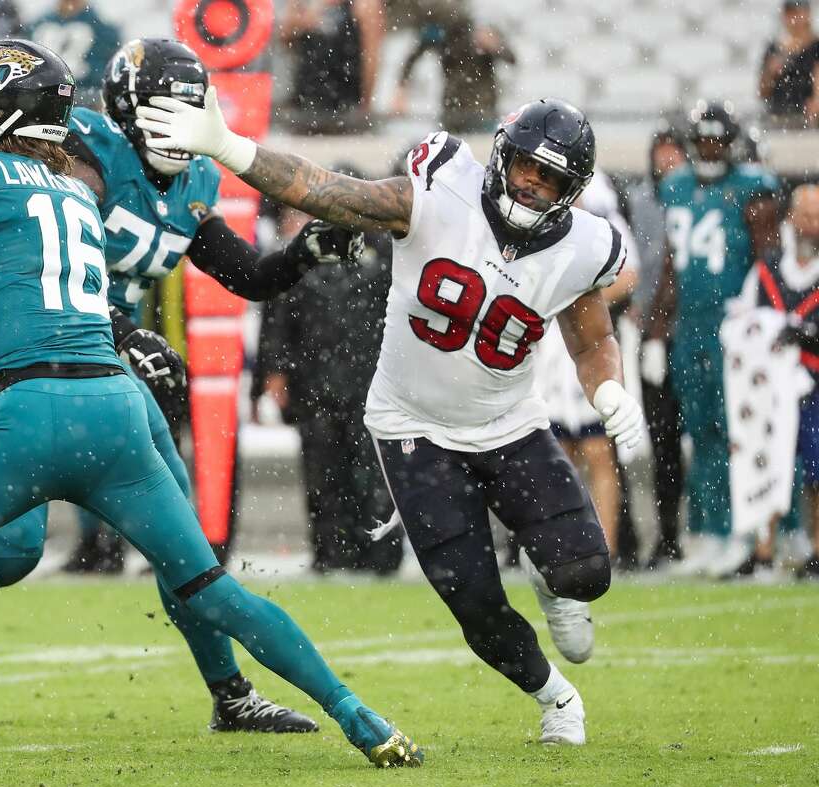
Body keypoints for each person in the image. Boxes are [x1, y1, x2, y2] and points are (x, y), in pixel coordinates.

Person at [0, 38, 421, 771]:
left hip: (33, 398)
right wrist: (127, 335)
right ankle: (361, 718)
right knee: (211, 585)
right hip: (111, 400)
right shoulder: (76, 182)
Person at [137, 93, 646, 746]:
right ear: (500, 153)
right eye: (525, 165)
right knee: (474, 603)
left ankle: (555, 583)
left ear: (572, 192)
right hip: (414, 430)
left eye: (550, 178)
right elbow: (324, 190)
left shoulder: (583, 246)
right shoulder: (439, 190)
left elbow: (591, 335)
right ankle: (555, 695)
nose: (530, 183)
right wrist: (231, 146)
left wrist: (608, 391)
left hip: (511, 423)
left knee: (586, 573)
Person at [646, 101, 781, 576]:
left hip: (735, 328)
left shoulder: (752, 189)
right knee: (698, 434)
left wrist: (762, 315)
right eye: (702, 140)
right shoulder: (677, 187)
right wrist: (657, 331)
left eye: (716, 141)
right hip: (690, 328)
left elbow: (769, 260)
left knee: (737, 433)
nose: (709, 149)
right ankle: (707, 533)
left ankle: (744, 534)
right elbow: (669, 265)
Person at [256, 201, 401, 574]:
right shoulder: (302, 257)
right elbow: (277, 322)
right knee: (323, 474)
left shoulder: (383, 256)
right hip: (316, 384)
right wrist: (274, 375)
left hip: (369, 386)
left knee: (371, 473)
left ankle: (380, 554)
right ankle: (332, 552)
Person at [535, 169, 640, 563]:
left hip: (586, 343)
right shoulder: (539, 218)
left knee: (597, 448)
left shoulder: (600, 221)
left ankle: (605, 548)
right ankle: (558, 548)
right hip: (545, 347)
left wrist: (578, 305)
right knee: (555, 450)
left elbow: (629, 275)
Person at [728, 184, 819, 579]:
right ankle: (763, 547)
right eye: (806, 216)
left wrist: (805, 333)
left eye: (818, 217)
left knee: (816, 468)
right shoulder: (768, 268)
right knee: (766, 456)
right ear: (792, 218)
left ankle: (815, 547)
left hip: (813, 383)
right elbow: (743, 316)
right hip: (770, 387)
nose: (812, 226)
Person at [628, 118, 688, 569]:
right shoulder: (638, 200)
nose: (667, 160)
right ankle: (654, 539)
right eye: (661, 151)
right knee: (650, 437)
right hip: (643, 333)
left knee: (695, 438)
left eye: (675, 150)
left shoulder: (695, 198)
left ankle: (683, 535)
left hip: (687, 333)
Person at [395, 14, 515, 134]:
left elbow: (511, 59)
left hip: (483, 110)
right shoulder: (443, 28)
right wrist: (402, 89)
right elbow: (414, 55)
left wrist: (494, 45)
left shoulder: (484, 25)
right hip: (452, 109)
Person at [279, 0, 384, 133]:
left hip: (344, 105)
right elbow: (284, 38)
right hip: (304, 102)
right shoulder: (303, 4)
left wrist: (366, 104)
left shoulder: (364, 5)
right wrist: (304, 20)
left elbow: (371, 58)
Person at [27, 1, 121, 100]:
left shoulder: (103, 31)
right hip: (41, 92)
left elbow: (105, 73)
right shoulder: (39, 25)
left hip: (83, 94)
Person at [760, 0, 819, 129]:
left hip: (809, 121)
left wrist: (816, 101)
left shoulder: (816, 47)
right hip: (778, 118)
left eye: (798, 14)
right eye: (790, 14)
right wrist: (770, 72)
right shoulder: (774, 48)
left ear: (808, 15)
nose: (795, 19)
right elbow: (762, 91)